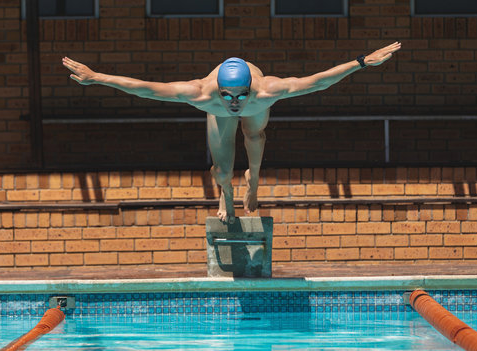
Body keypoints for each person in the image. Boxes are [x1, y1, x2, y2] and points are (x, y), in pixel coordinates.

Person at [63, 42, 401, 223]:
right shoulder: (201, 93)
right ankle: (226, 195)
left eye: (241, 96)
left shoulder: (267, 90)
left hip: (259, 110)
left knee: (254, 135)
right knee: (222, 170)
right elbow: (146, 89)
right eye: (228, 96)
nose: (235, 103)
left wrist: (361, 62)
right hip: (214, 111)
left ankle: (253, 179)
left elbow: (318, 81)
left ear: (252, 89)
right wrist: (97, 77)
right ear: (218, 90)